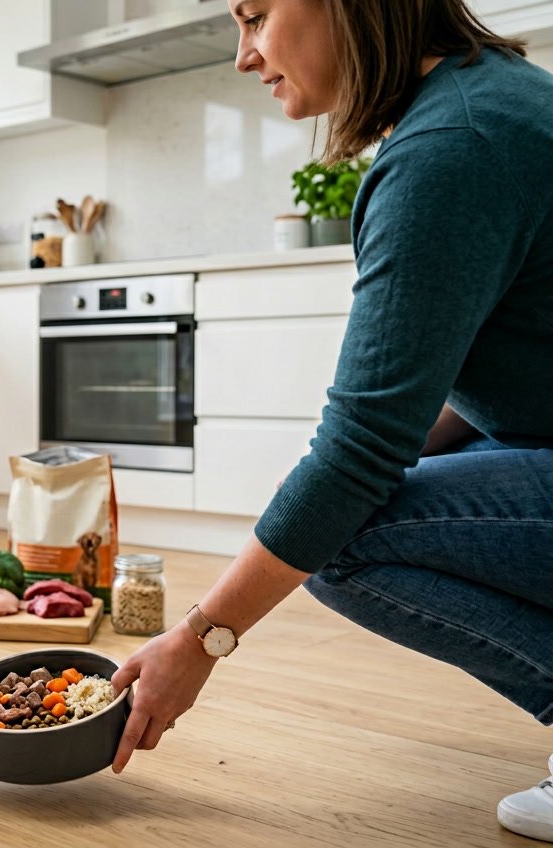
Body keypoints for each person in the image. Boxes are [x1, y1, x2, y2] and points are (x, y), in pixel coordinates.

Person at [109, 0, 553, 841]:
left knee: (341, 538)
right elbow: (481, 383)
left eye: (256, 16)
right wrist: (345, 475)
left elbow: (358, 456)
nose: (245, 56)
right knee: (326, 509)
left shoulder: (451, 148)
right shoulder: (489, 101)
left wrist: (199, 637)